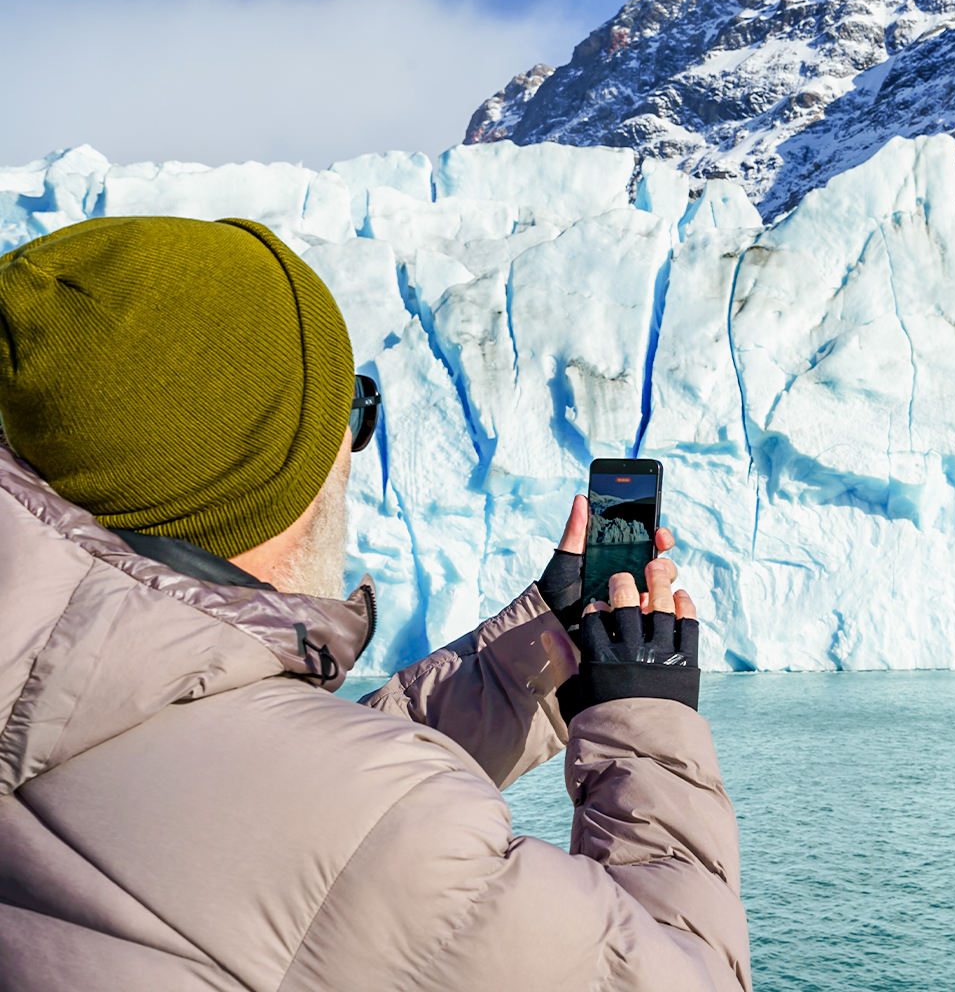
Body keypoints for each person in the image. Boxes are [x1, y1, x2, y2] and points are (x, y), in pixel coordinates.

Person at [0, 216, 749, 991]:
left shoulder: (57, 691)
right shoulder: (390, 830)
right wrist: (647, 726)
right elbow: (679, 977)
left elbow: (263, 801)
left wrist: (536, 659)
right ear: (272, 467)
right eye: (353, 412)